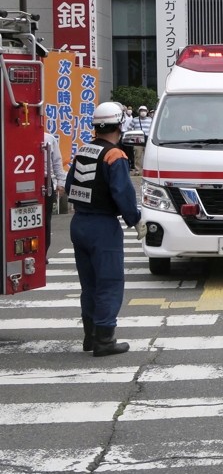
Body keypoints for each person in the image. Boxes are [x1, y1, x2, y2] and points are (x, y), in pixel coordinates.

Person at [66, 101, 144, 357]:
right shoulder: (115, 156)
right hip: (103, 226)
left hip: (79, 224)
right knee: (109, 282)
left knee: (89, 285)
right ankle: (105, 339)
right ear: (120, 125)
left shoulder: (82, 151)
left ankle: (90, 336)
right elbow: (122, 193)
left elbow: (69, 188)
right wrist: (136, 220)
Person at [43, 131, 67, 255]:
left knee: (46, 220)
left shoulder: (49, 138)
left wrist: (60, 182)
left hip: (46, 182)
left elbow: (57, 161)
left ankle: (44, 253)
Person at [130, 105, 153, 173]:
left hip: (148, 139)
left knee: (148, 155)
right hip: (138, 140)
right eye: (141, 110)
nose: (143, 112)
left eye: (144, 110)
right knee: (137, 155)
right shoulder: (134, 120)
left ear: (147, 112)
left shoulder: (150, 120)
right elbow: (129, 128)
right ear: (139, 112)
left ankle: (148, 170)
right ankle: (137, 170)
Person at [118, 104, 135, 171]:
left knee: (130, 150)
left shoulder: (132, 117)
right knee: (123, 149)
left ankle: (131, 164)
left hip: (129, 134)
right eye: (128, 109)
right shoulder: (124, 115)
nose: (129, 110)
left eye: (131, 109)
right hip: (123, 133)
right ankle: (125, 164)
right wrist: (123, 109)